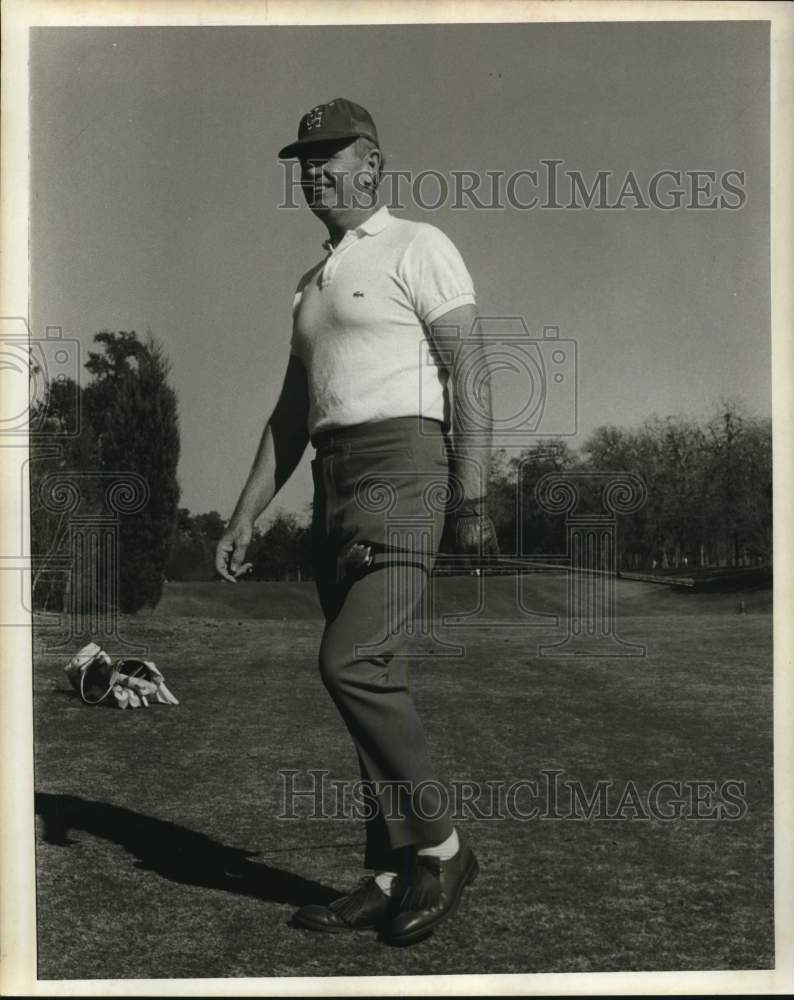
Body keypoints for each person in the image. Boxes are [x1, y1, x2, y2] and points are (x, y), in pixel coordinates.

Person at [215, 97, 498, 946]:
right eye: (303, 161)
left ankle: (442, 849)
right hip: (332, 486)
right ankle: (385, 869)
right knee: (371, 684)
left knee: (353, 663)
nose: (312, 172)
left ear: (371, 162)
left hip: (406, 467)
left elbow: (470, 371)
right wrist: (242, 518)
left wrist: (473, 496)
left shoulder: (421, 245)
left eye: (328, 157)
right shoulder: (311, 286)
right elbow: (291, 415)